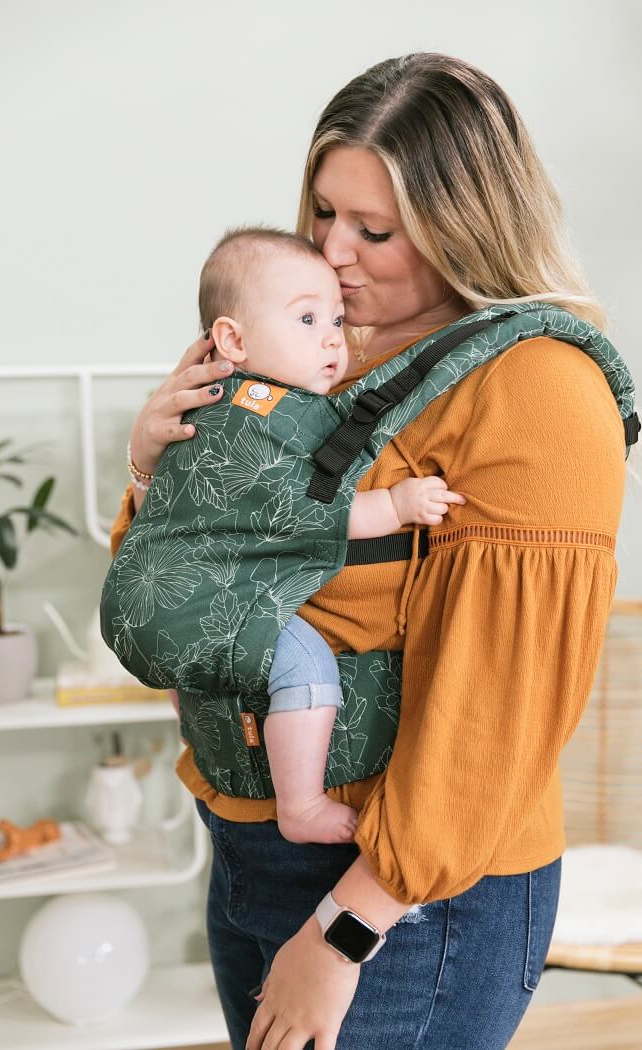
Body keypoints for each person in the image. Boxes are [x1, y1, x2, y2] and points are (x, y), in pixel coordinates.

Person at [110, 53, 630, 1050]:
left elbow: (496, 715)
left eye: (373, 230)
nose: (332, 252)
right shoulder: (296, 361)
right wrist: (150, 465)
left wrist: (344, 932)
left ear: (464, 225)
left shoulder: (537, 390)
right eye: (321, 213)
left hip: (401, 898)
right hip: (251, 848)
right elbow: (174, 592)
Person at [157, 225, 467, 847]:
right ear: (233, 339)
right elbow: (313, 511)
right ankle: (300, 803)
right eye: (306, 320)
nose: (331, 338)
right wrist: (399, 503)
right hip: (222, 591)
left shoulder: (241, 406)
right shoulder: (249, 422)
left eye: (335, 319)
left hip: (201, 592)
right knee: (307, 669)